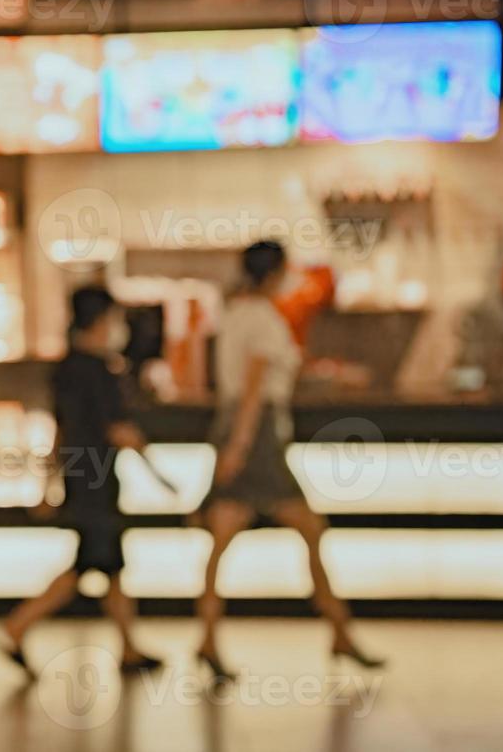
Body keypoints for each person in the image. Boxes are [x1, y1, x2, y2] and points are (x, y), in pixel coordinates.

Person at [194, 240, 384, 681]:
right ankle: (339, 632)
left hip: (236, 428)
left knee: (220, 543)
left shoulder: (235, 312)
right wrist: (241, 449)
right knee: (310, 531)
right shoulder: (263, 318)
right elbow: (257, 388)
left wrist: (229, 447)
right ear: (276, 273)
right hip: (255, 434)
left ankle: (208, 639)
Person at [0, 286, 163, 676]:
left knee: (108, 566)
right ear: (102, 320)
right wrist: (146, 454)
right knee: (89, 566)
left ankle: (128, 648)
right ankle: (17, 626)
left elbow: (59, 432)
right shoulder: (99, 372)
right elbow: (116, 429)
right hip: (99, 481)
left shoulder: (66, 369)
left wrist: (48, 484)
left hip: (79, 478)